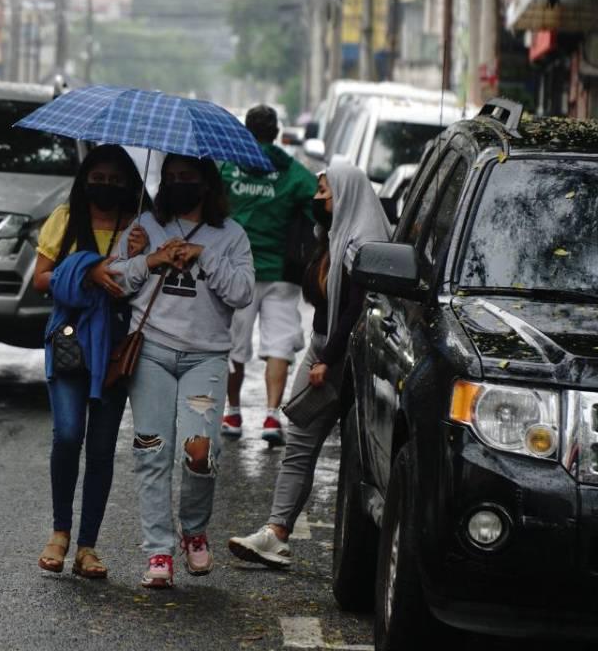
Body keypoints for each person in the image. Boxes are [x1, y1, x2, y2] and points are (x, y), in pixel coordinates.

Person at [227, 162, 389, 568]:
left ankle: (346, 549)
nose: (317, 200)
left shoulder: (363, 246)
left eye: (323, 193)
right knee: (300, 440)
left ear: (345, 195)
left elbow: (354, 311)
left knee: (352, 451)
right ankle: (276, 533)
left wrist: (328, 360)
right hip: (322, 348)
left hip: (343, 357)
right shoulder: (333, 237)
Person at [108, 154, 254, 588]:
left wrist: (203, 256)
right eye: (169, 177)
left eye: (186, 177)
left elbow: (243, 292)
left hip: (205, 358)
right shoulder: (145, 227)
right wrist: (148, 259)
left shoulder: (231, 235)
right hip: (151, 352)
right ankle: (158, 550)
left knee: (200, 451)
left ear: (206, 184)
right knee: (151, 450)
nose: (176, 184)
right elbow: (114, 278)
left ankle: (194, 530)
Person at [34, 144, 147, 579]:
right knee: (67, 435)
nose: (106, 186)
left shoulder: (139, 226)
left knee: (101, 448)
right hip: (69, 342)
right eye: (98, 178)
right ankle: (59, 533)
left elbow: (148, 283)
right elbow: (39, 278)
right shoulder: (65, 219)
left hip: (115, 349)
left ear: (129, 185)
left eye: (116, 180)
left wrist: (140, 253)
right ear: (84, 181)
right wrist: (87, 271)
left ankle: (87, 547)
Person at [221, 105, 319, 446]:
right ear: (276, 133)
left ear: (246, 132)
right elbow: (319, 205)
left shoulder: (228, 167)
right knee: (279, 344)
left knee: (233, 344)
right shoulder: (293, 172)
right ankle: (271, 417)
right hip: (282, 272)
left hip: (236, 271)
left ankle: (232, 413)